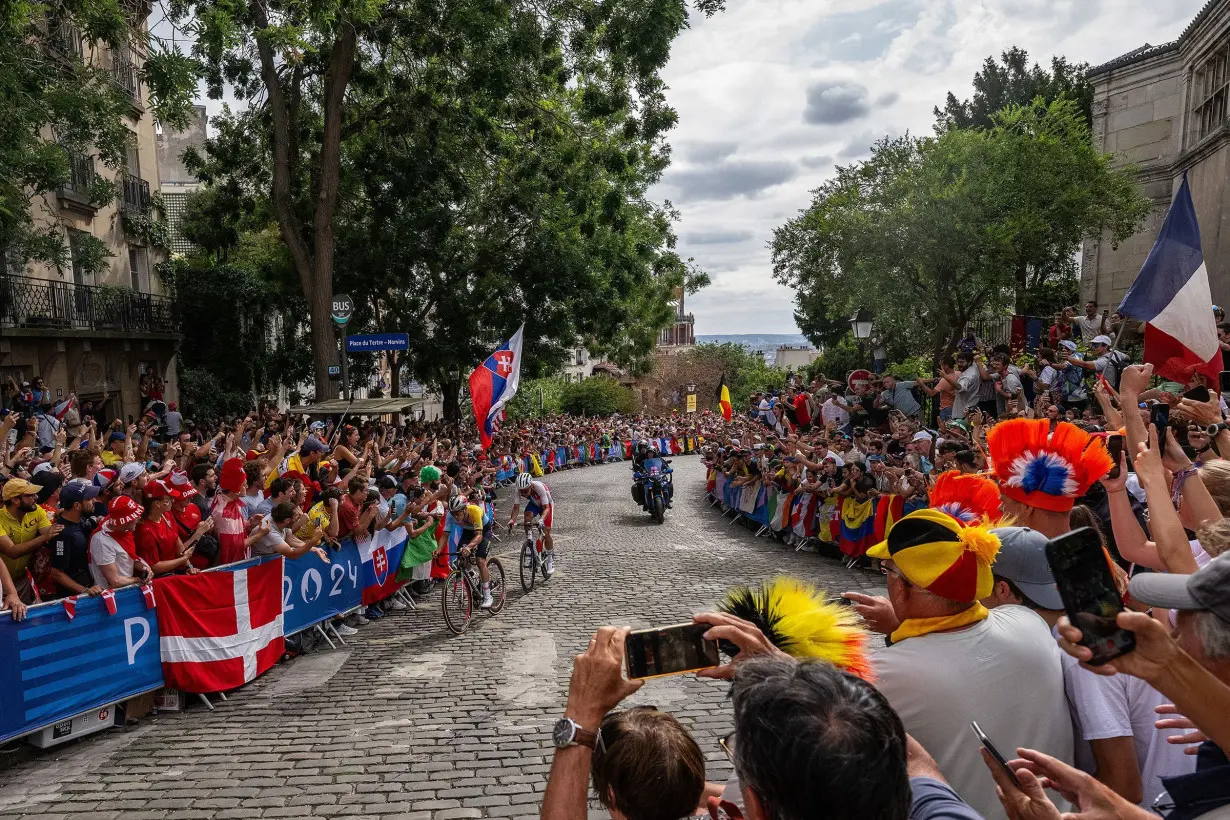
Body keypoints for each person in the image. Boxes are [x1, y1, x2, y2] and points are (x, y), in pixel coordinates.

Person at [845, 493, 1075, 819]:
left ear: (901, 587)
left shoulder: (880, 673)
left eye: (888, 570)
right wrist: (907, 621)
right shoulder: (1030, 624)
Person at [981, 526, 1194, 806]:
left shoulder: (1082, 654)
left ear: (1002, 589)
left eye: (979, 585)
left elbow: (1124, 787)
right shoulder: (1094, 623)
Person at [0, 477, 64, 605]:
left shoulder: (36, 510)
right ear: (15, 500)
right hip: (1, 584)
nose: (36, 497)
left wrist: (64, 517)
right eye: (30, 495)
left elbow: (50, 534)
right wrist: (44, 538)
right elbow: (12, 552)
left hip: (22, 580)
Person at [48, 481, 102, 599]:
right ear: (77, 506)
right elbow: (57, 573)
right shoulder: (62, 534)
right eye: (89, 498)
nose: (94, 500)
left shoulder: (80, 519)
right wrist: (84, 590)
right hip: (73, 599)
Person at [89, 495, 153, 589]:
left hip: (126, 589)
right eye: (135, 516)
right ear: (125, 521)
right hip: (113, 597)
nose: (139, 518)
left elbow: (128, 557)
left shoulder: (123, 530)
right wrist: (138, 580)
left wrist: (145, 568)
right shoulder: (102, 541)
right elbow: (115, 581)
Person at [449, 495, 493, 608]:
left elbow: (478, 536)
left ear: (464, 509)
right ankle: (472, 574)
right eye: (453, 513)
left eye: (457, 513)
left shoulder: (475, 510)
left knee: (480, 560)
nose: (455, 516)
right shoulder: (452, 516)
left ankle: (488, 596)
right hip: (468, 532)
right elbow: (445, 535)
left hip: (484, 530)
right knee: (460, 556)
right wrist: (438, 551)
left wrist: (469, 547)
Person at [507, 472, 555, 576]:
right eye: (521, 492)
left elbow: (546, 508)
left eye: (525, 491)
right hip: (534, 504)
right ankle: (530, 541)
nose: (523, 494)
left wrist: (541, 519)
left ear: (531, 485)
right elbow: (516, 508)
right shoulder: (518, 489)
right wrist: (512, 520)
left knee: (546, 532)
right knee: (527, 515)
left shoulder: (539, 487)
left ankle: (550, 559)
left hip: (546, 505)